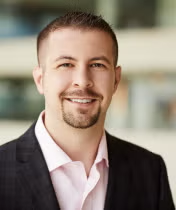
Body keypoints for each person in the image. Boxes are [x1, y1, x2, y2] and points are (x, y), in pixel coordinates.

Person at [0, 11, 175, 210]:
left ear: (116, 80)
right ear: (40, 80)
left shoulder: (150, 171)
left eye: (97, 65)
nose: (82, 81)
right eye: (66, 64)